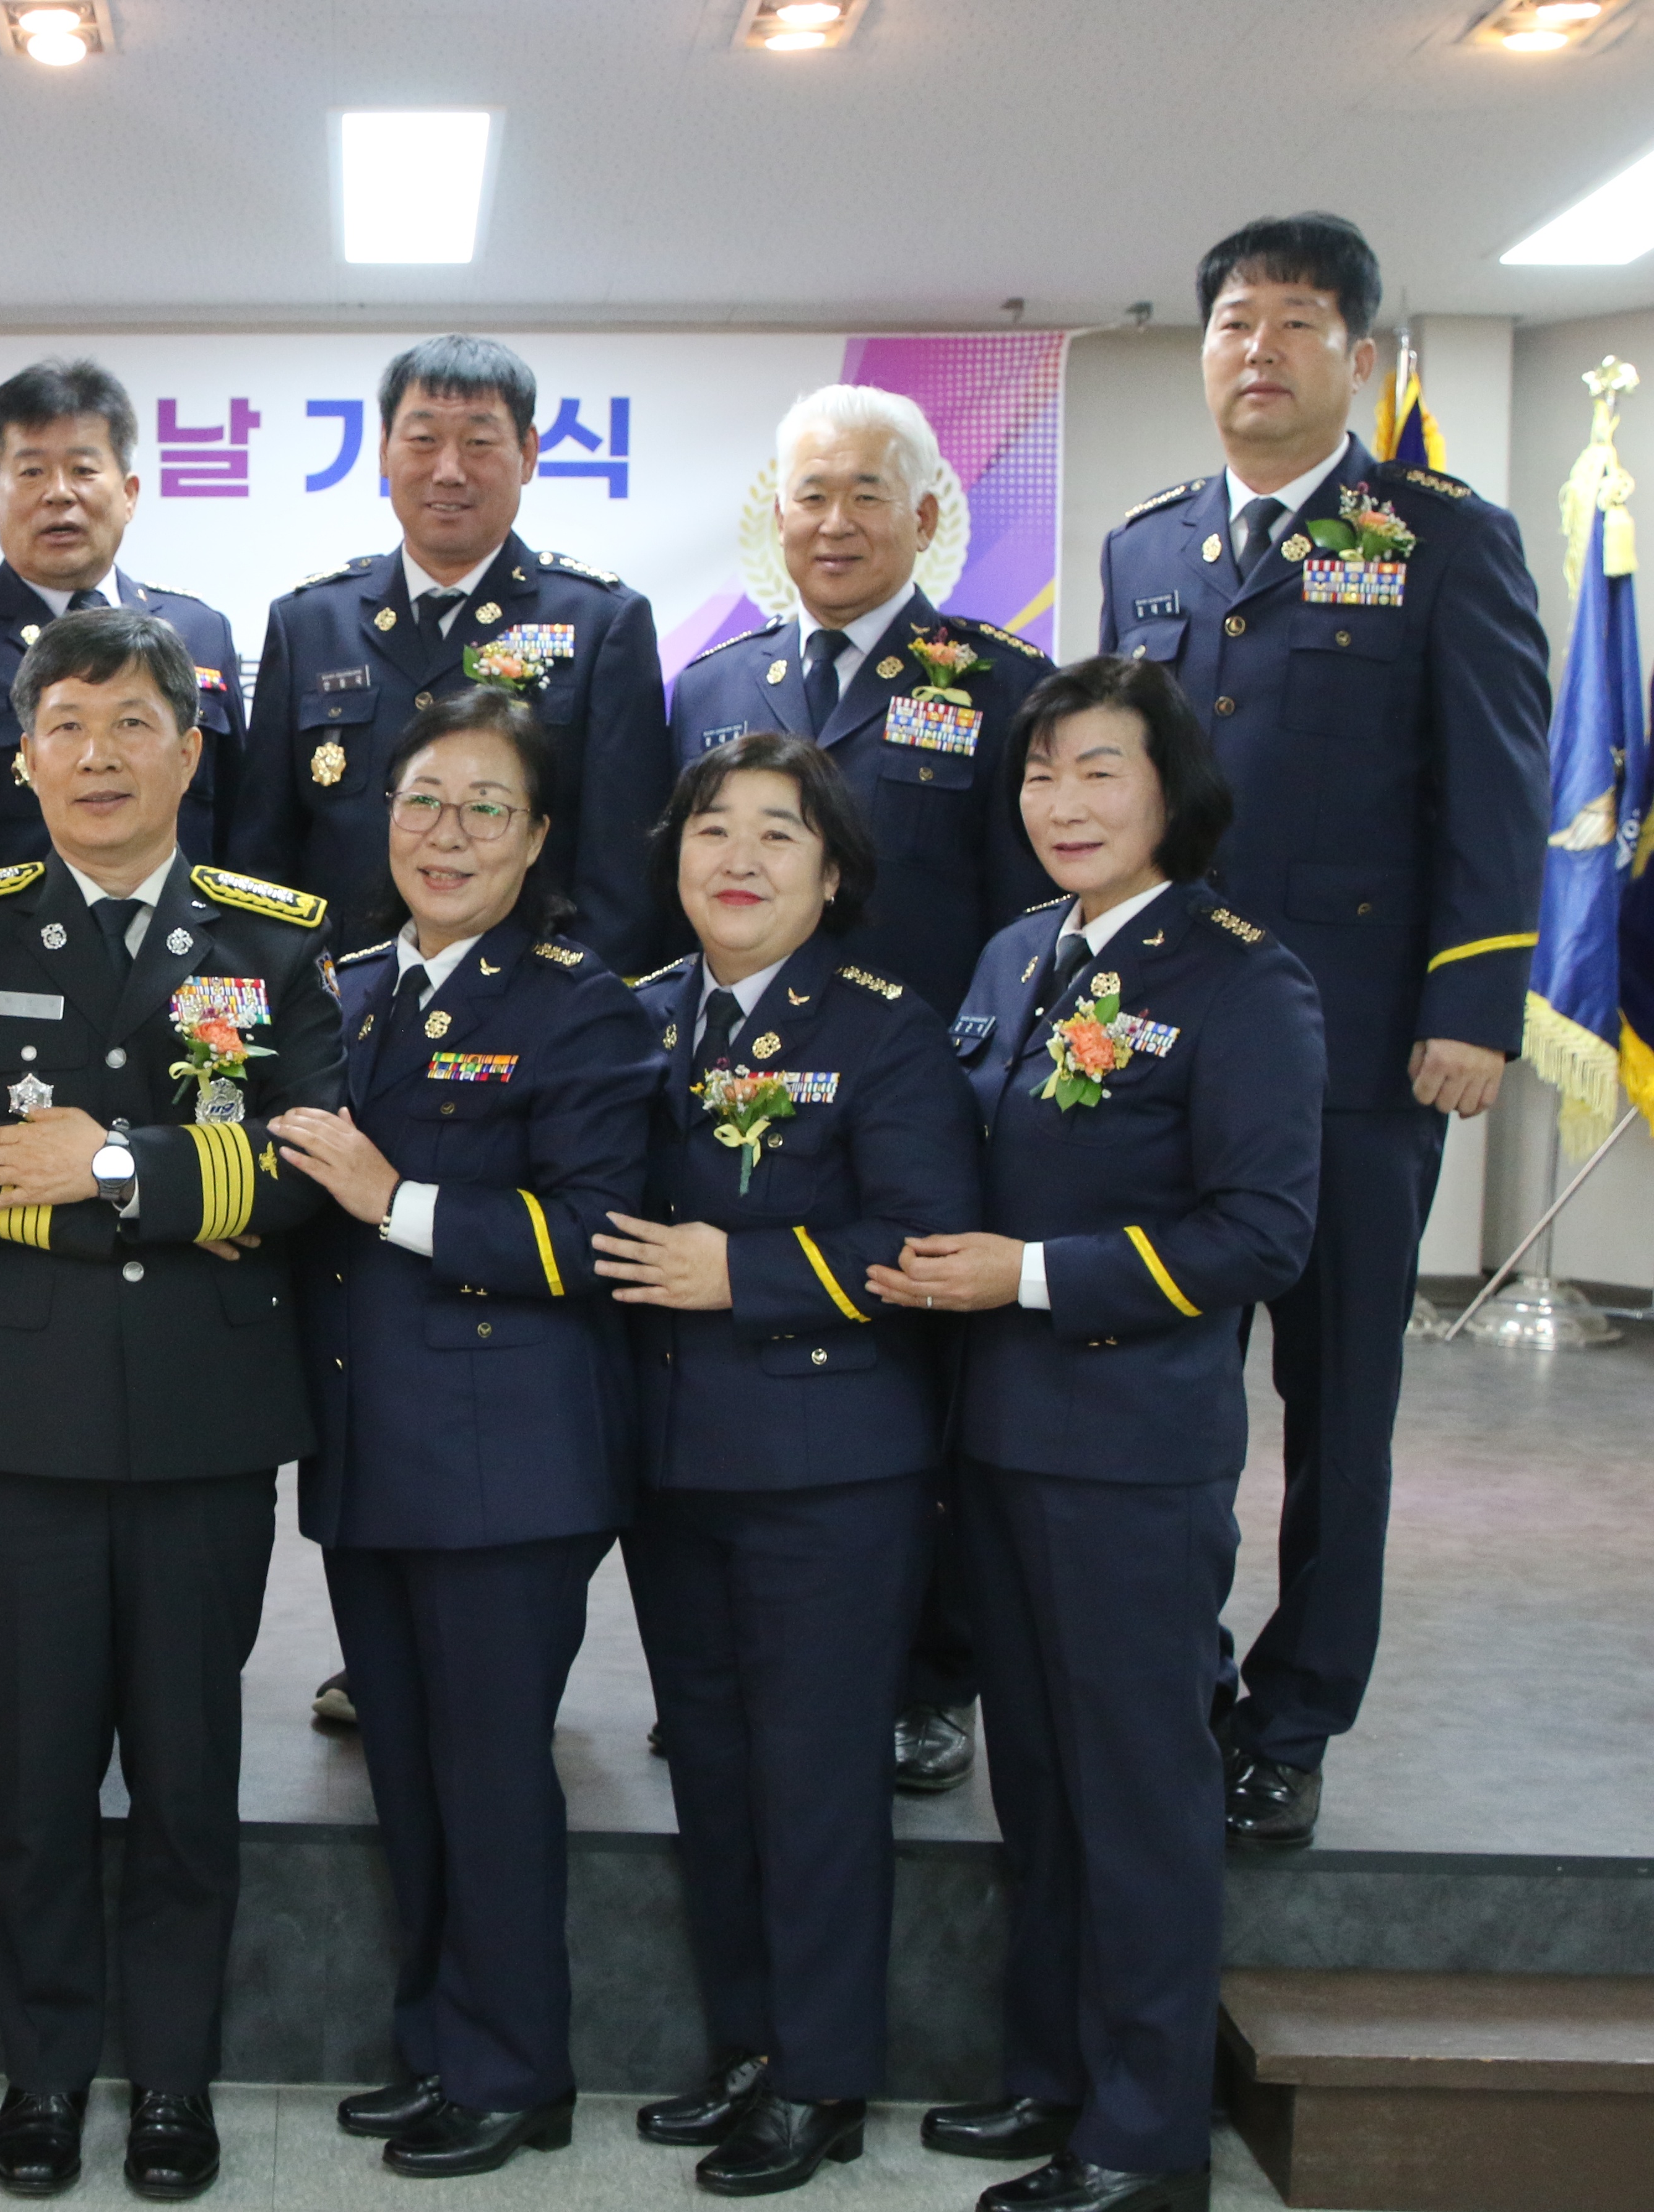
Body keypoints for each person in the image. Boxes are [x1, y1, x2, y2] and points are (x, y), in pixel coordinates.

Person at [1100, 214, 1546, 1850]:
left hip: (1361, 1056)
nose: (1259, 349)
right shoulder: (1148, 549)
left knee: (1338, 1407)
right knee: (1167, 1387)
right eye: (1234, 320)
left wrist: (1470, 1006)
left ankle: (1294, 1717)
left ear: (1354, 358)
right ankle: (1177, 1676)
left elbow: (1496, 783)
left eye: (1296, 322)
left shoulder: (1443, 538)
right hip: (1163, 1052)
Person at [0, 606, 344, 2201]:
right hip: (18, 1419)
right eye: (67, 725)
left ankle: (170, 2079)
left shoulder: (272, 938)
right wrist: (178, 1195)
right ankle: (43, 2075)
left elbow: (307, 1169)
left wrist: (98, 1162)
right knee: (30, 1782)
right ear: (23, 756)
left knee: (188, 1781)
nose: (99, 754)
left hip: (209, 1422)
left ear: (190, 750)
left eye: (133, 722)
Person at [871, 657, 1322, 2212]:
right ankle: (1055, 2074)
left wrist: (1030, 1274)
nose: (1062, 802)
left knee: (1136, 1792)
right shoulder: (1017, 954)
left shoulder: (1243, 979)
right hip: (992, 1433)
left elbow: (1262, 1232)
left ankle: (1143, 2134)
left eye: (1099, 770)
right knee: (1045, 1784)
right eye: (1040, 772)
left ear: (1173, 790)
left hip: (1130, 1445)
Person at [277, 688, 655, 2180]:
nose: (448, 832)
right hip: (369, 1441)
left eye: (486, 806)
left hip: (508, 1456)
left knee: (491, 1771)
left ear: (539, 835)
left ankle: (514, 2069)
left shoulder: (581, 1002)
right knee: (415, 1770)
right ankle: (441, 2042)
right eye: (424, 799)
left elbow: (597, 1232)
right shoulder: (351, 985)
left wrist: (395, 1200)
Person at [599, 732, 979, 2194]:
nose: (739, 858)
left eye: (777, 832)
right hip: (670, 1461)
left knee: (815, 1777)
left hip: (829, 1469)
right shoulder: (637, 1014)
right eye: (712, 828)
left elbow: (923, 1241)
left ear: (832, 874)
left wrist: (742, 1272)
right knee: (713, 1766)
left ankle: (822, 2075)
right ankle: (749, 2046)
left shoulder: (885, 1029)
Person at [668, 384, 1057, 1794]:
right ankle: (740, 1667)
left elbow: (1028, 919)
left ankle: (927, 1677)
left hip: (919, 1109)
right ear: (775, 515)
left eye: (865, 494)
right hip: (742, 1109)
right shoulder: (715, 686)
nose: (833, 522)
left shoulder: (1000, 685)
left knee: (923, 1402)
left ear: (926, 514)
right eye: (810, 495)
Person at [228, 334, 670, 972]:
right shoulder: (309, 623)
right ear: (383, 450)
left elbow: (623, 873)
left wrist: (576, 1006)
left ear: (528, 452)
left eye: (480, 442)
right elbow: (261, 860)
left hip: (531, 1002)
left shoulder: (602, 622)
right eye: (423, 439)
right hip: (337, 1001)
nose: (449, 470)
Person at [0, 358, 246, 874]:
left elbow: (244, 835)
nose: (59, 493)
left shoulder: (200, 632)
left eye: (83, 470)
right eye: (32, 472)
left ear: (129, 494)